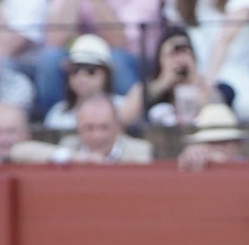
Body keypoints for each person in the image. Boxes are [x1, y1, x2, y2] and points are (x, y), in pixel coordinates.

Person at [33, 0, 149, 114]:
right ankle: (56, 116)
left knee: (116, 57)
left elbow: (117, 41)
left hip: (128, 59)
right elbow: (56, 39)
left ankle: (129, 119)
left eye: (90, 71)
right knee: (50, 58)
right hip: (76, 54)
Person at [168, 0, 249, 119]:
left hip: (240, 81)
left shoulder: (242, 3)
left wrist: (207, 83)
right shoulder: (190, 5)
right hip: (197, 80)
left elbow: (224, 40)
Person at [119, 26, 225, 126]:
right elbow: (124, 118)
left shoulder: (206, 86)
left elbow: (216, 112)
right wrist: (163, 82)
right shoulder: (147, 88)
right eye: (173, 54)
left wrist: (194, 79)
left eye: (184, 52)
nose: (178, 59)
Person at [9, 94, 152, 163]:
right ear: (78, 128)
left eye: (104, 127)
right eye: (89, 128)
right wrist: (79, 158)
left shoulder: (138, 151)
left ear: (117, 127)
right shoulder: (70, 146)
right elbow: (18, 151)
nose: (97, 136)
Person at [41, 34, 124, 131]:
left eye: (90, 70)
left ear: (106, 74)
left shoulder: (122, 107)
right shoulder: (58, 113)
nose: (81, 77)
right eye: (75, 70)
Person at [176, 101, 249, 170]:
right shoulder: (194, 156)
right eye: (212, 142)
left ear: (238, 144)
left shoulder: (247, 165)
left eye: (224, 141)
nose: (219, 147)